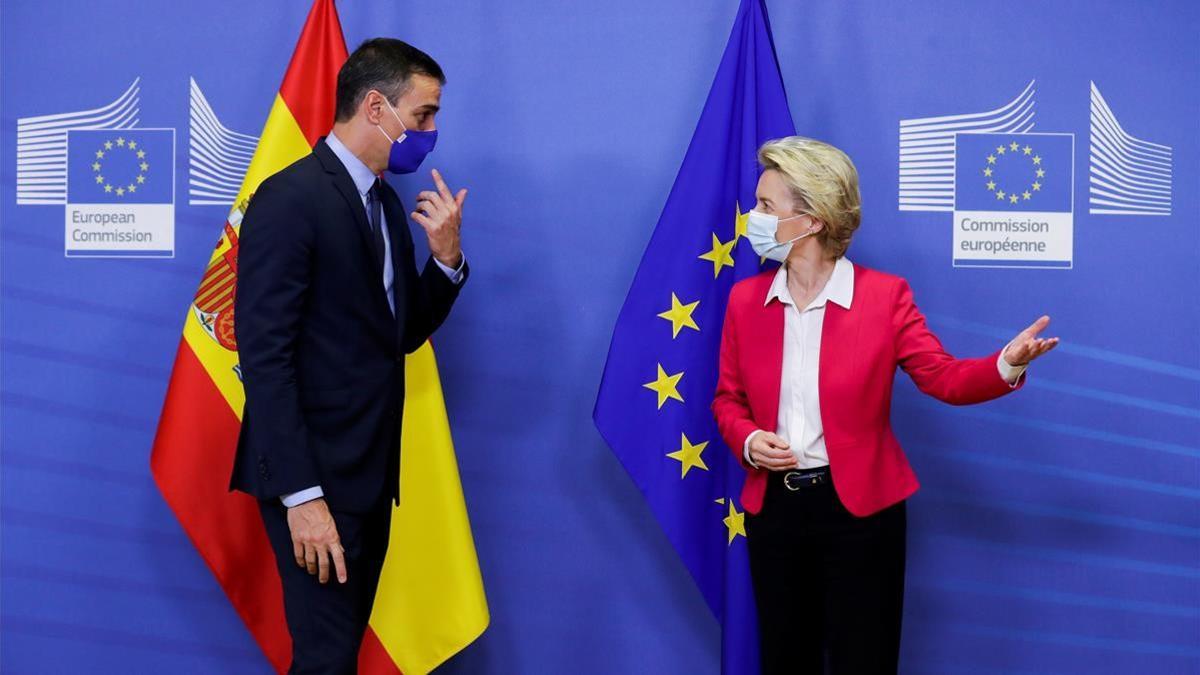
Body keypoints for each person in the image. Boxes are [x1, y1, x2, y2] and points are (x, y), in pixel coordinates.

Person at [712, 137, 1057, 675]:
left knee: (864, 660)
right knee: (785, 659)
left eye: (764, 207)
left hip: (861, 513)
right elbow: (727, 399)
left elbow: (943, 378)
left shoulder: (884, 297)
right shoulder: (743, 300)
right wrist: (751, 441)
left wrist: (1005, 364)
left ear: (813, 219)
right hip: (774, 513)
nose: (751, 217)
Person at [230, 38, 469, 674]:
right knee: (326, 660)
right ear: (374, 107)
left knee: (336, 658)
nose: (431, 132)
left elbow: (399, 335)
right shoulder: (290, 199)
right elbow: (266, 357)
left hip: (368, 477)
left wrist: (445, 262)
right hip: (315, 480)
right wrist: (301, 496)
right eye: (423, 115)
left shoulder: (385, 204)